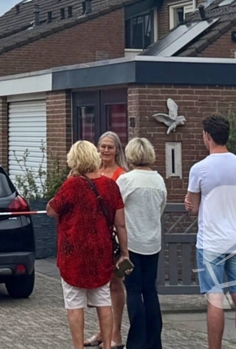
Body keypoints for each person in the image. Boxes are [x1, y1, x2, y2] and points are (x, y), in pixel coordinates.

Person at [48, 140, 130, 349]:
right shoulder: (111, 186)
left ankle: (78, 346)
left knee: (75, 303)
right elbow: (120, 224)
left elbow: (52, 210)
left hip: (72, 253)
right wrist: (124, 253)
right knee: (103, 300)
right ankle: (108, 344)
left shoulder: (71, 185)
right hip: (101, 253)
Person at [184, 115, 236, 349]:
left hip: (211, 242)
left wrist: (190, 203)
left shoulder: (200, 169)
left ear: (208, 136)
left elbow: (192, 209)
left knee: (214, 297)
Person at [117, 138, 167, 349]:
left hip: (131, 243)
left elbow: (117, 211)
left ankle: (137, 342)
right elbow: (161, 208)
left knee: (134, 291)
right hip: (152, 242)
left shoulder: (126, 181)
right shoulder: (159, 181)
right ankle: (154, 341)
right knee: (150, 291)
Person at [86, 131, 130, 348]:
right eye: (102, 146)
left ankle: (116, 332)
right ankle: (102, 331)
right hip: (94, 238)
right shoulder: (92, 173)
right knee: (99, 286)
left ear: (117, 150)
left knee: (115, 283)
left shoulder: (122, 175)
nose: (104, 150)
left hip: (112, 237)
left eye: (109, 147)